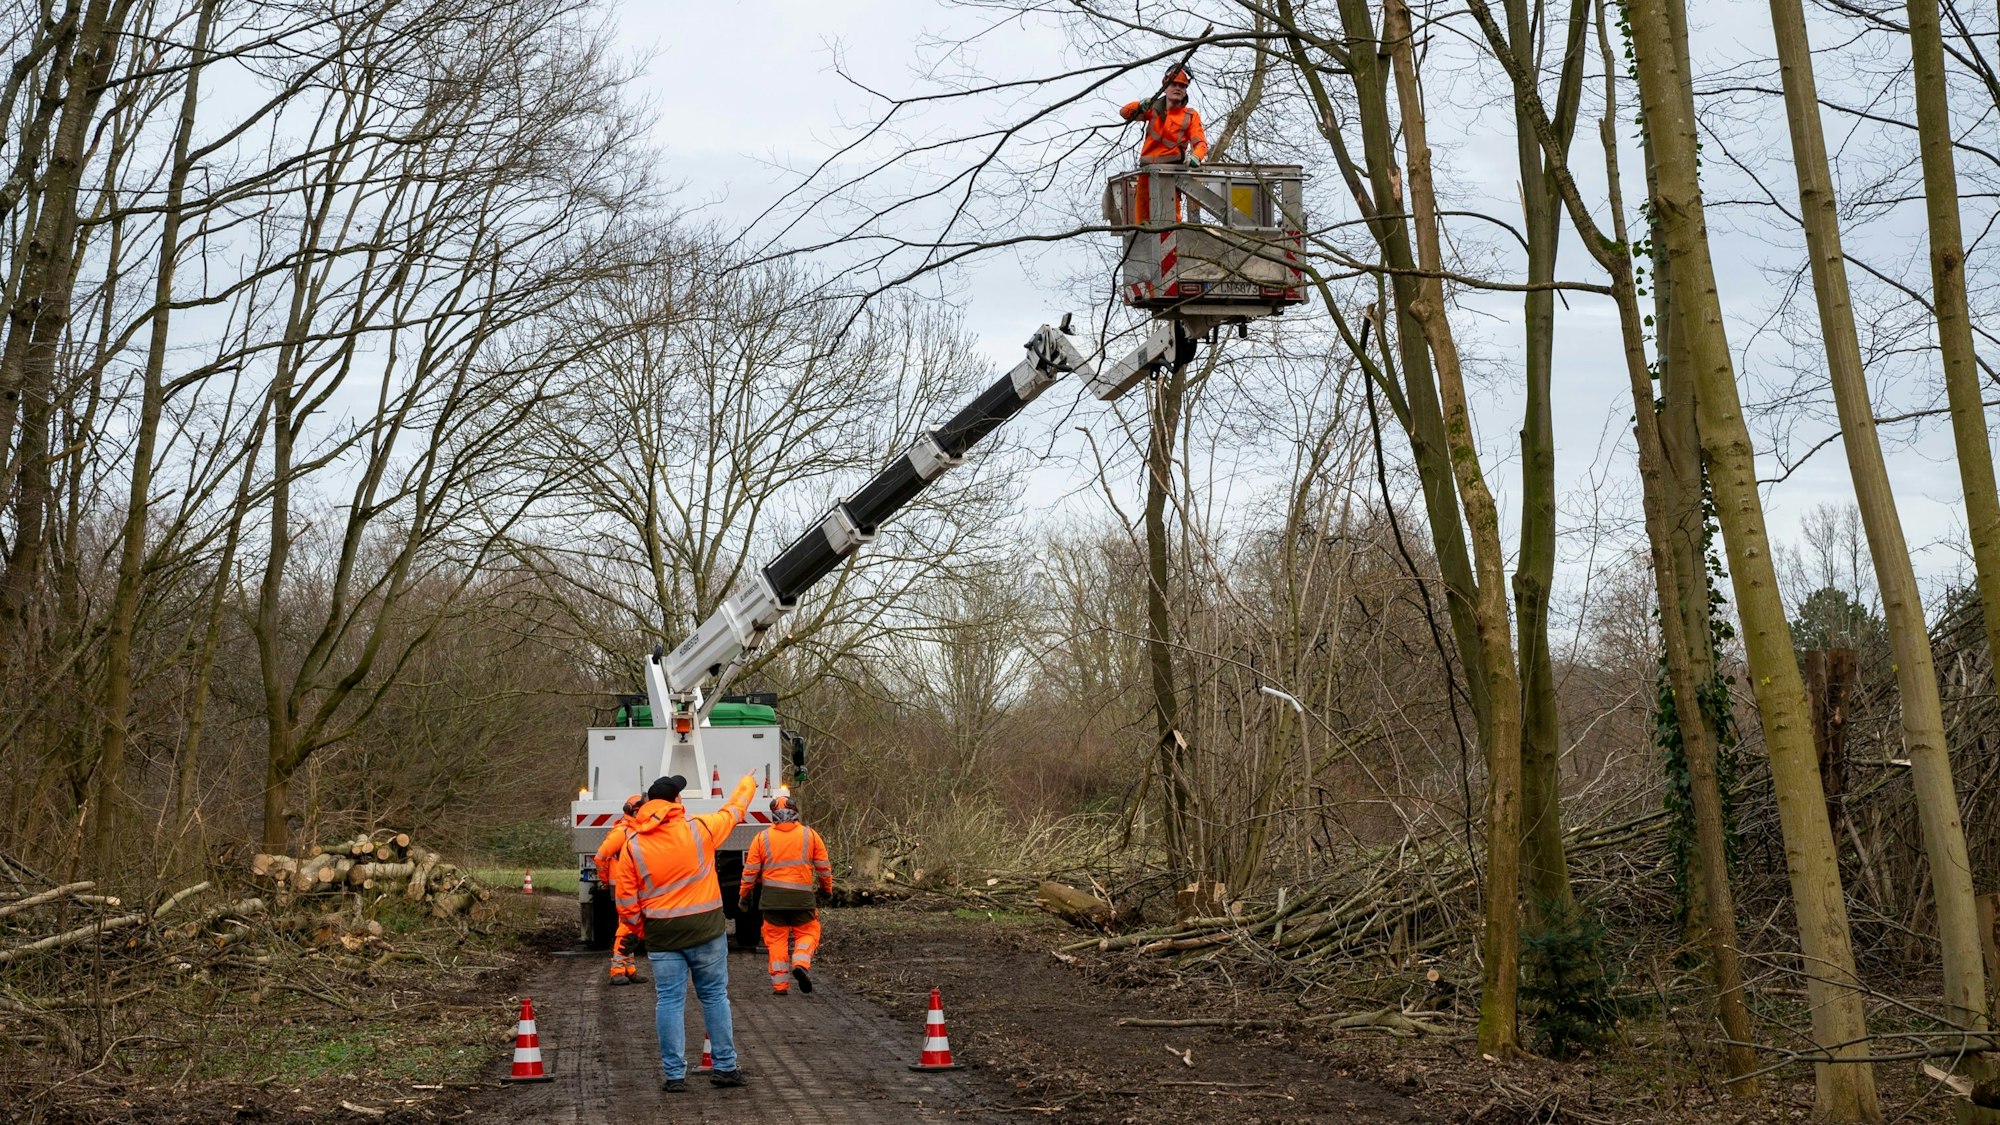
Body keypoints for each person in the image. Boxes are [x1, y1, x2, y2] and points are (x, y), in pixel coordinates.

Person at [612, 769, 757, 1092]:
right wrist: (747, 782)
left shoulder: (633, 845)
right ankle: (725, 1067)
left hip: (663, 937)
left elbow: (625, 899)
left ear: (649, 804)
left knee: (669, 1001)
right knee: (715, 997)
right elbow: (733, 811)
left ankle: (674, 1075)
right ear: (677, 801)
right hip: (706, 931)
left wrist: (639, 929)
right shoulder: (700, 829)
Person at [736, 790, 833, 996]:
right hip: (802, 900)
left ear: (774, 816)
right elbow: (824, 868)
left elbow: (750, 872)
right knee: (807, 932)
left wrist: (744, 895)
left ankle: (780, 985)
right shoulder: (810, 835)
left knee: (776, 940)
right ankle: (800, 963)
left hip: (772, 901)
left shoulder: (761, 838)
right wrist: (826, 890)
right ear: (795, 812)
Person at [593, 793, 647, 985]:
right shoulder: (622, 832)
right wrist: (606, 880)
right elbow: (600, 856)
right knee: (626, 925)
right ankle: (617, 970)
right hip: (622, 884)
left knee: (631, 926)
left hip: (633, 883)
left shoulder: (637, 830)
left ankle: (629, 969)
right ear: (633, 811)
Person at [1120, 64, 1208, 168]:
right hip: (1146, 170)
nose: (1177, 88)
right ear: (1165, 88)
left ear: (1185, 91)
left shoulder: (1190, 115)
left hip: (1172, 172)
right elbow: (1124, 112)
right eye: (1174, 84)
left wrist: (1197, 156)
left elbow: (1200, 142)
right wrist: (1138, 105)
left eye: (1182, 85)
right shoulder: (1152, 108)